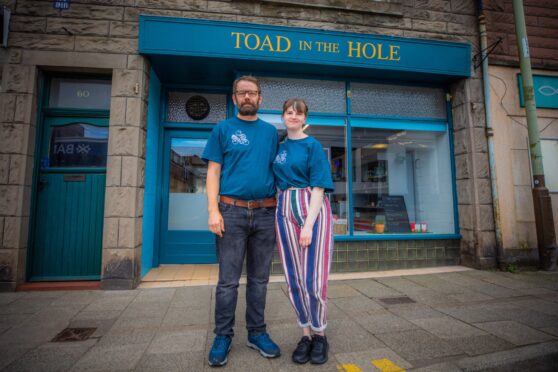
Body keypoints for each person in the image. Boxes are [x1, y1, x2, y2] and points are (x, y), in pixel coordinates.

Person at [202, 76, 281, 367]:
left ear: (260, 98)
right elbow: (212, 172)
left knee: (259, 280)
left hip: (265, 213)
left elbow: (279, 172)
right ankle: (223, 335)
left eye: (253, 93)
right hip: (231, 212)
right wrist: (213, 210)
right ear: (234, 98)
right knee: (227, 282)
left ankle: (256, 332)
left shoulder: (271, 133)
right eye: (242, 93)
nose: (248, 97)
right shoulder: (222, 129)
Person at [272, 98, 334, 365]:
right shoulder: (280, 147)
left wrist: (308, 224)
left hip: (311, 209)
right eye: (289, 112)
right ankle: (306, 333)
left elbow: (319, 186)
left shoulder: (313, 145)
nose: (293, 116)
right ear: (283, 116)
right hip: (284, 207)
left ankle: (320, 334)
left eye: (298, 113)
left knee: (314, 279)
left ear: (305, 117)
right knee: (294, 277)